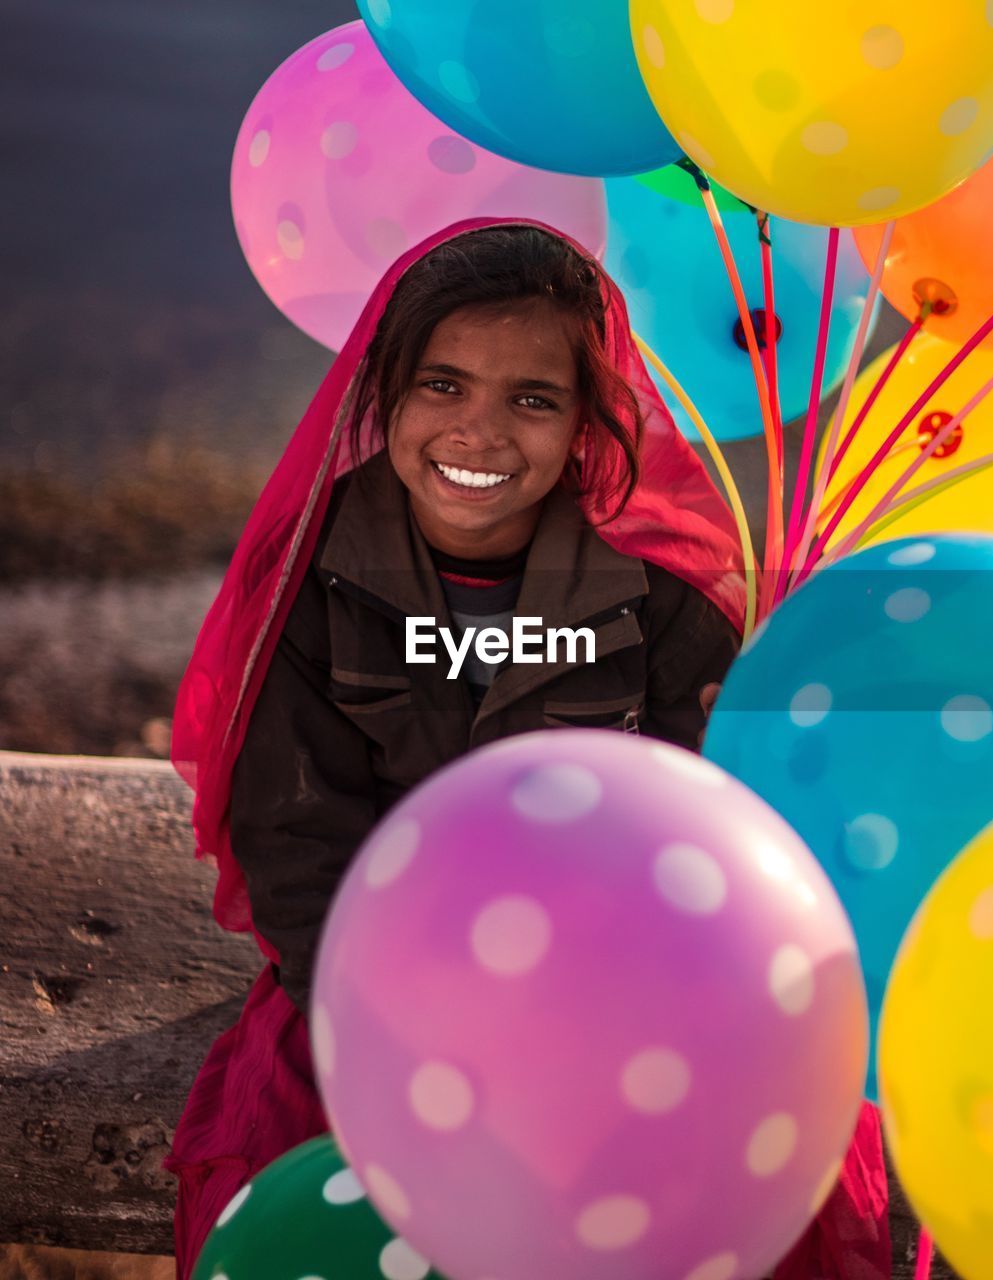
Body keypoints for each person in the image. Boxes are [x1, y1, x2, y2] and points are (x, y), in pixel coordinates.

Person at [166, 219, 889, 1279]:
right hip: (372, 1001)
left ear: (588, 420)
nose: (480, 432)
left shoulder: (668, 599)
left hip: (623, 999)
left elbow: (715, 859)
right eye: (442, 386)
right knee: (308, 1174)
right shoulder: (311, 588)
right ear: (385, 395)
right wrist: (429, 1037)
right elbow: (296, 843)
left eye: (533, 399)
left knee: (715, 1182)